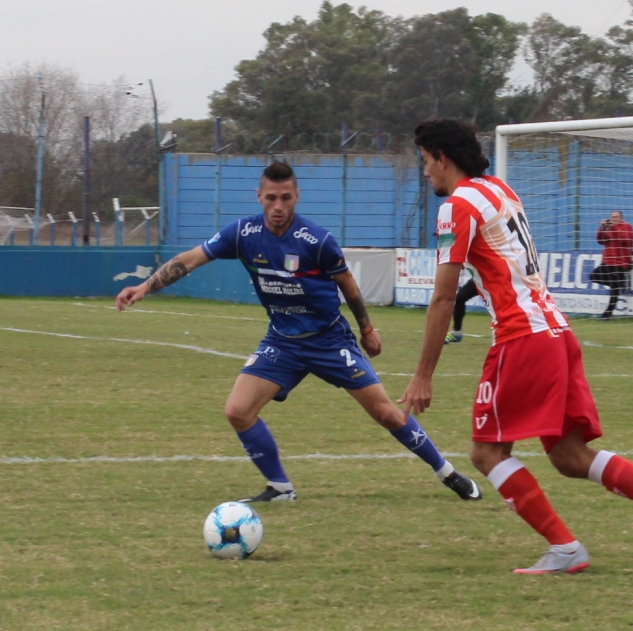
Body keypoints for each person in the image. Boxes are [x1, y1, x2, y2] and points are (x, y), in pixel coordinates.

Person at [400, 118, 633, 574]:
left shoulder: (456, 207)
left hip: (521, 338)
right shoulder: (501, 191)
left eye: (426, 162)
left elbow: (444, 296)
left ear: (443, 159)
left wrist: (423, 373)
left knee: (486, 454)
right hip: (557, 332)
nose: (425, 173)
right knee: (568, 456)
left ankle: (565, 548)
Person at [116, 160, 482, 504]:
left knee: (387, 413)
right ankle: (280, 487)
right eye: (271, 198)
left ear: (296, 197)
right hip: (282, 342)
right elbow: (191, 259)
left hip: (329, 340)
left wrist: (367, 329)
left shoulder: (316, 240)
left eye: (286, 198)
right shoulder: (242, 234)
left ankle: (446, 472)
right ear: (259, 197)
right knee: (237, 410)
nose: (278, 206)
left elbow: (349, 287)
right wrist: (145, 287)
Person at [589, 210, 633, 319]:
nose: (614, 219)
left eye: (616, 217)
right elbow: (600, 240)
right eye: (612, 217)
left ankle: (607, 314)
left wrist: (613, 228)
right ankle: (619, 284)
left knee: (614, 289)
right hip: (608, 261)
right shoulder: (610, 228)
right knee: (593, 276)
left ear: (621, 218)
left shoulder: (627, 227)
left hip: (620, 263)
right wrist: (603, 228)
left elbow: (625, 239)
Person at [444, 278, 479, 344]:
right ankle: (456, 333)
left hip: (495, 280)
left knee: (499, 305)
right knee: (460, 298)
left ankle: (502, 334)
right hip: (479, 278)